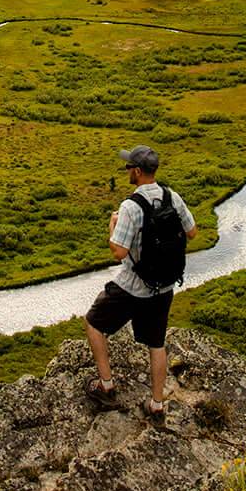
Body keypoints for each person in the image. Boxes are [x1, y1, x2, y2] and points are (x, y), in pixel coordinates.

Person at [86, 145, 194, 419]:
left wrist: (113, 227)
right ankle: (157, 405)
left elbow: (118, 252)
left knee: (94, 324)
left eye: (128, 168)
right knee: (156, 344)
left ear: (136, 171)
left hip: (132, 286)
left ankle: (106, 386)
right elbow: (192, 232)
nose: (126, 172)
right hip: (164, 286)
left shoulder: (131, 207)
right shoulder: (173, 197)